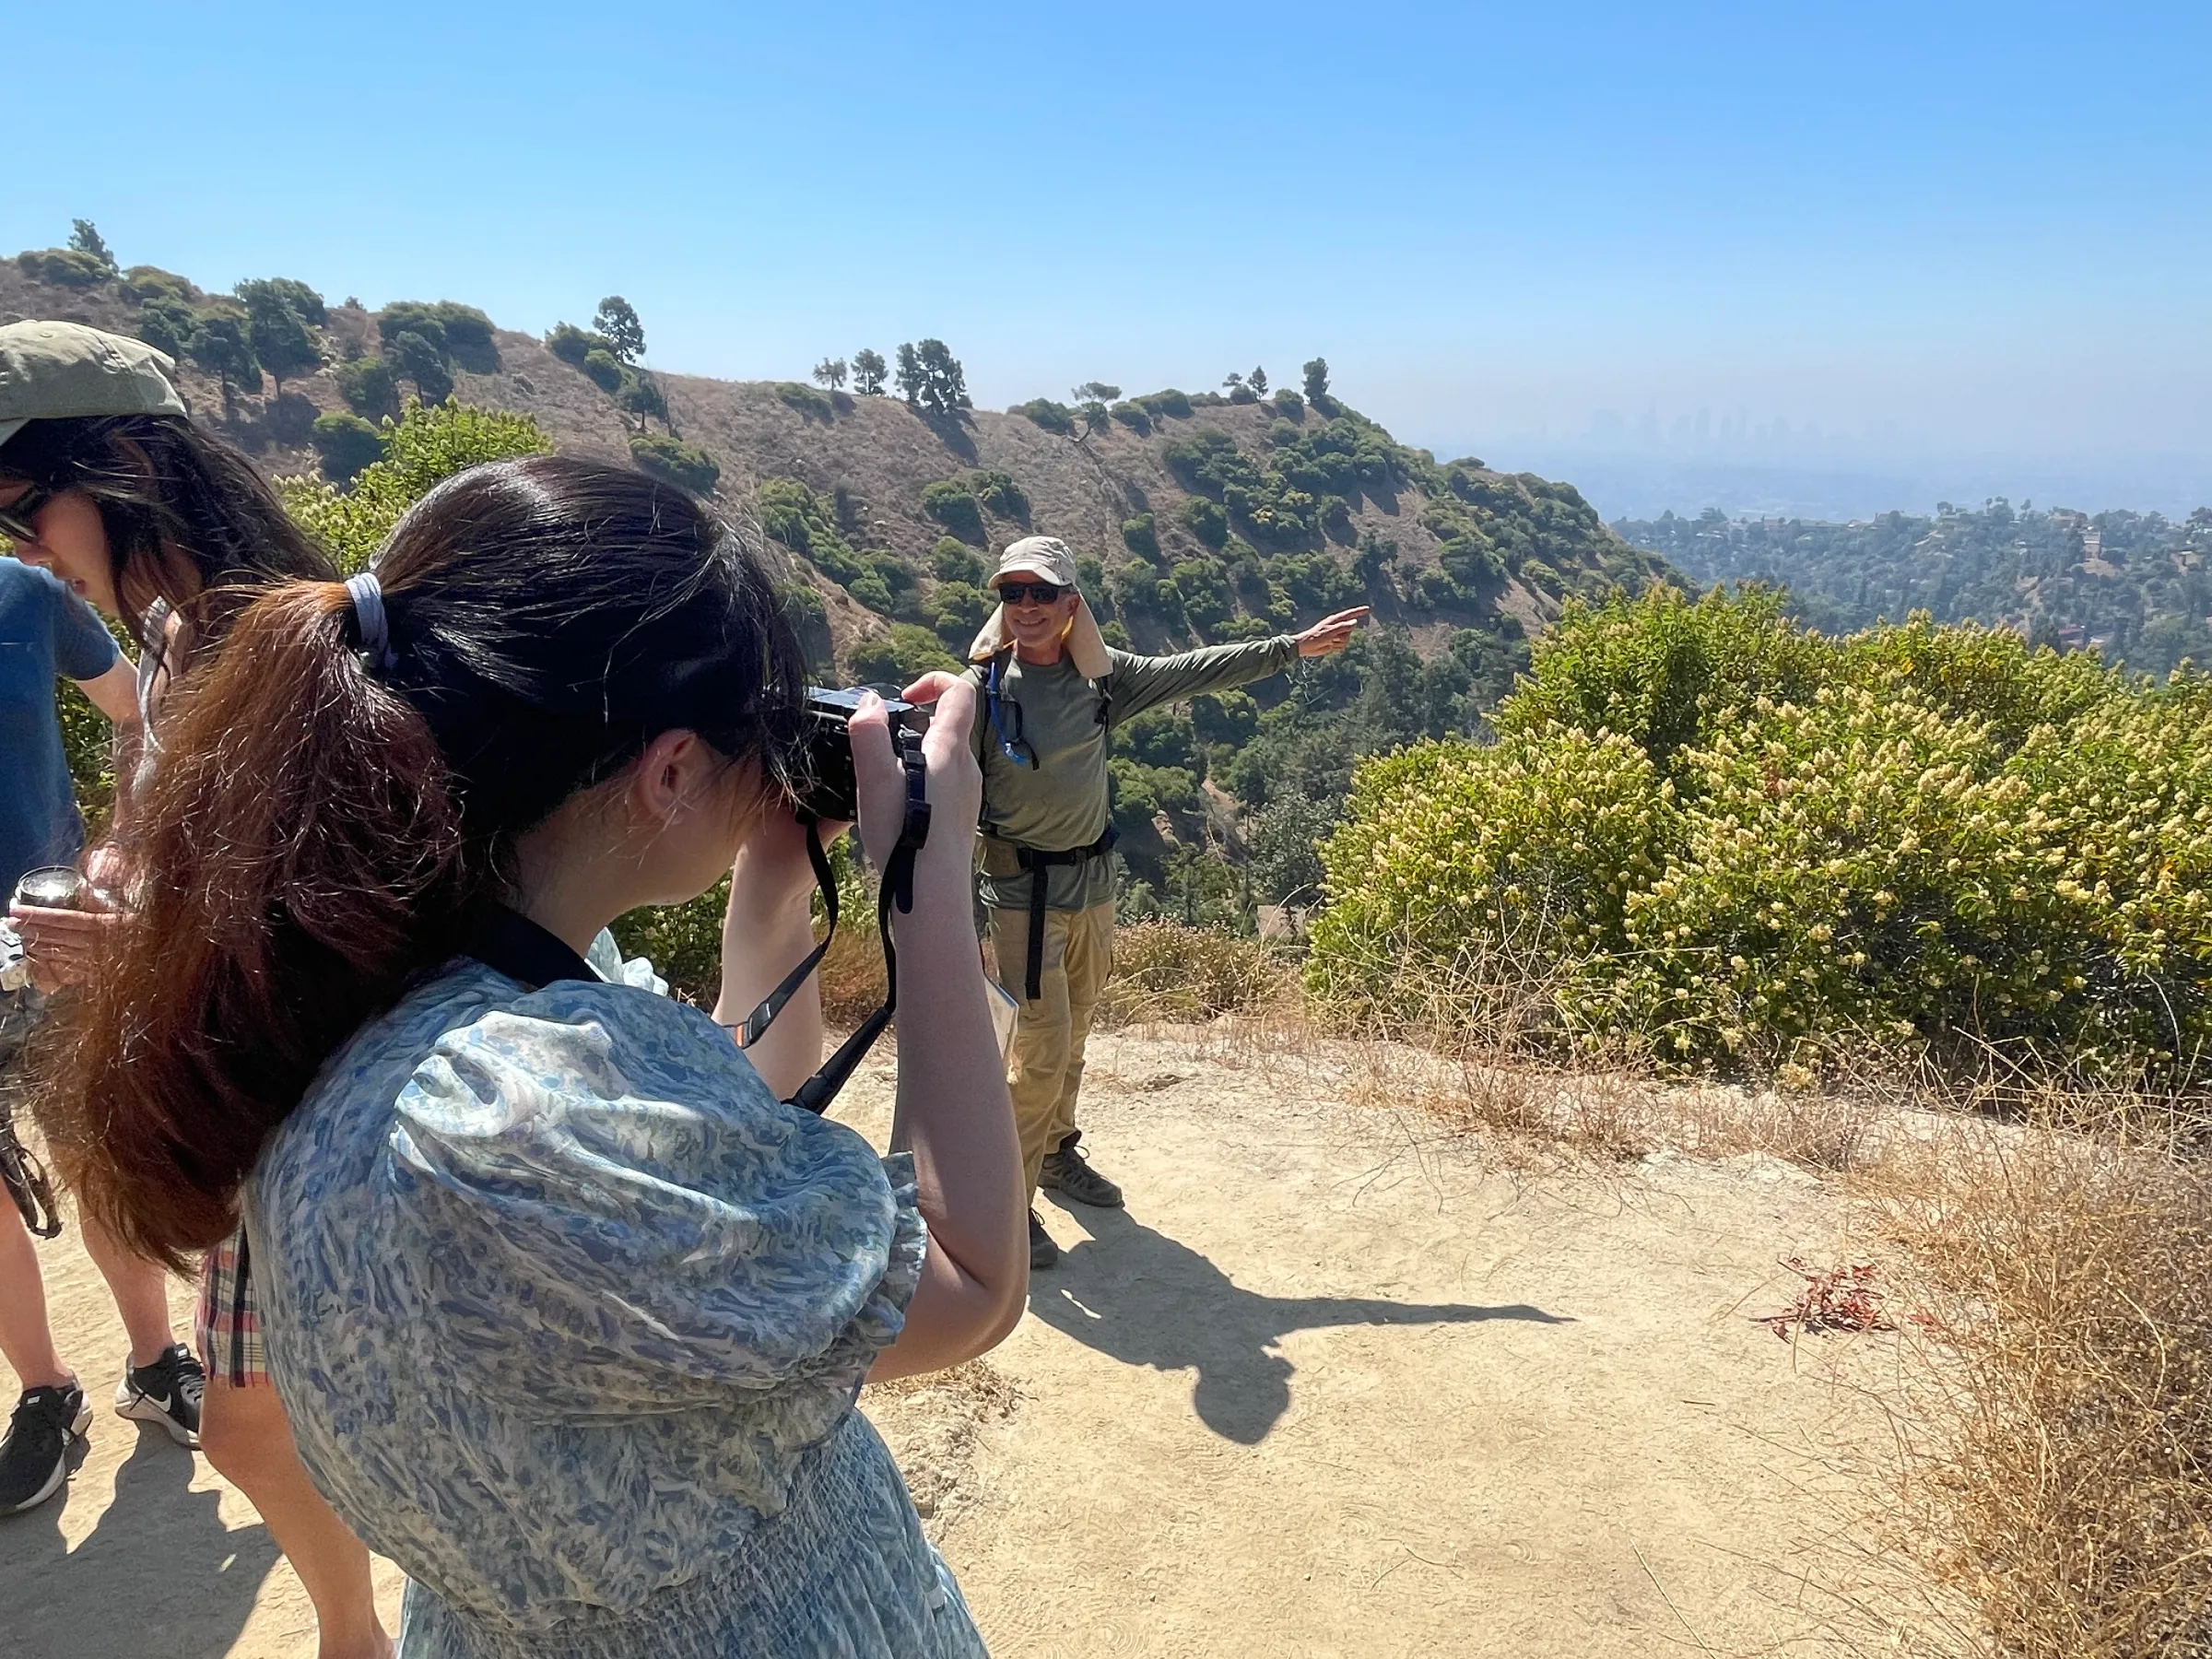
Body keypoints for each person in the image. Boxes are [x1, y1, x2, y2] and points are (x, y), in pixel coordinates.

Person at [36, 456, 1025, 1657]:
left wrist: (770, 885)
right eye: (748, 734)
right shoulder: (515, 1123)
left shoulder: (365, 999)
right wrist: (930, 880)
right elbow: (971, 1280)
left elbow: (699, 1166)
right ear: (667, 771)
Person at [0, 320, 392, 1655]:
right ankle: (362, 1632)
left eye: (21, 509)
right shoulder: (179, 642)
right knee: (249, 1429)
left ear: (115, 462)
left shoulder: (283, 637)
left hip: (313, 1100)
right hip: (248, 1092)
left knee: (273, 1425)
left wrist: (141, 950)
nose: (26, 551)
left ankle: (368, 1631)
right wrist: (122, 864)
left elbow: (355, 912)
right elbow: (175, 818)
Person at [950, 535, 1363, 1268]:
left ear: (1071, 604)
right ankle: (1005, 1210)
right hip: (1023, 899)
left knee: (1074, 1039)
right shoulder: (980, 691)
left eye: (1041, 593)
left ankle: (1055, 1152)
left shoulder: (1102, 682)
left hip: (1094, 887)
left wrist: (1292, 648)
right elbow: (935, 767)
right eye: (1012, 594)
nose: (1026, 607)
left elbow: (1196, 671)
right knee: (1037, 1056)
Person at [0, 537, 204, 1514]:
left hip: (51, 950)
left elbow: (135, 713)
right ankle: (48, 1392)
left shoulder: (30, 598)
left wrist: (121, 841)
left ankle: (156, 1365)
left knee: (98, 1158)